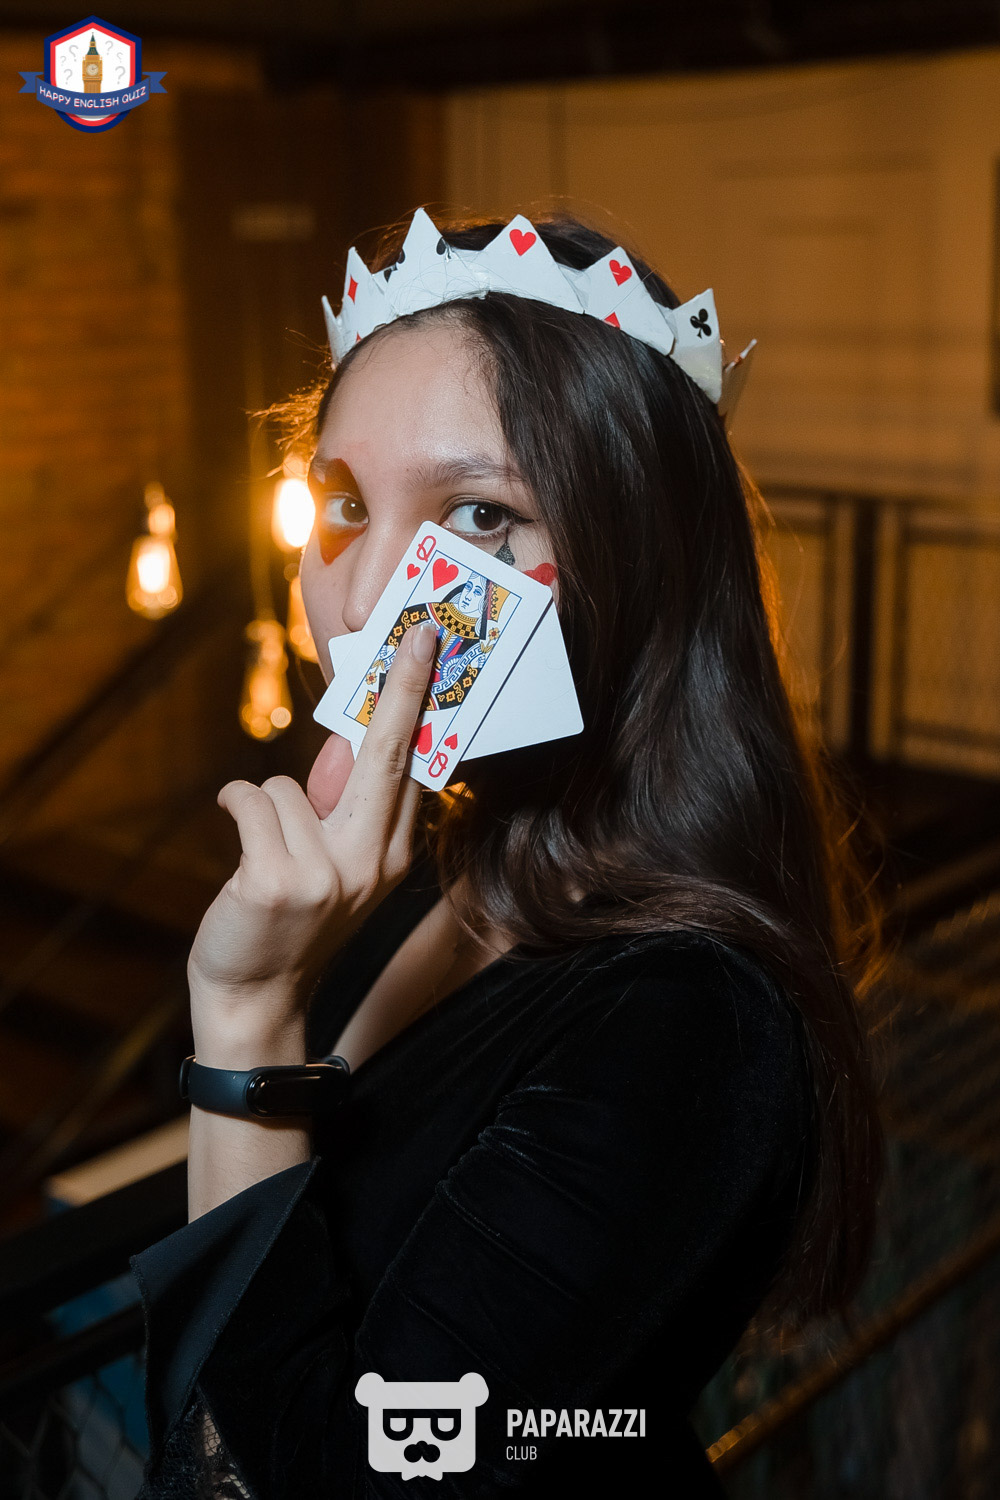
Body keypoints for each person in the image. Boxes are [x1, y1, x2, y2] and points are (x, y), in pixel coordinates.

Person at [130, 209, 884, 1498]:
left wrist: (248, 1015)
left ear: (645, 559)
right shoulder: (435, 854)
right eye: (345, 504)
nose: (361, 600)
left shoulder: (690, 1024)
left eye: (480, 515)